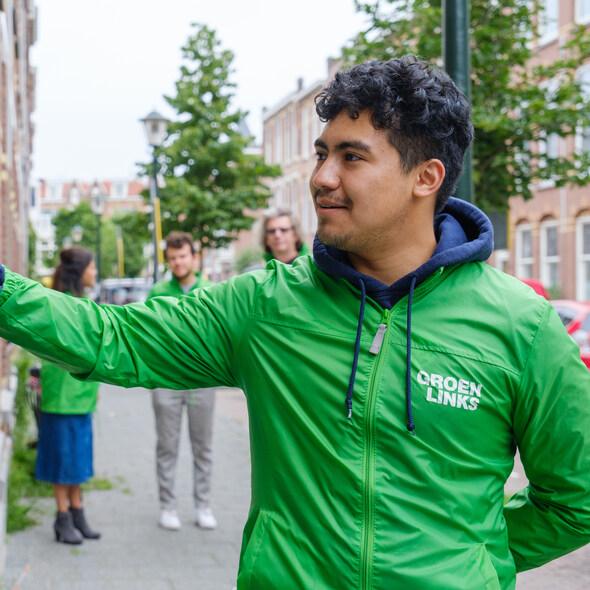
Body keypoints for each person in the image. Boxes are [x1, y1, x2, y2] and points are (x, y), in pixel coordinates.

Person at [1, 55, 589, 588]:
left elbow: (578, 497)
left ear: (425, 177)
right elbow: (114, 338)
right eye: (322, 153)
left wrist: (468, 561)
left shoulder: (523, 325)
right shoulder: (265, 305)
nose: (322, 177)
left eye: (352, 157)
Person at [147, 231, 217, 531]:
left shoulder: (213, 290)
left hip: (202, 378)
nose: (177, 262)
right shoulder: (158, 291)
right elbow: (148, 333)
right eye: (172, 258)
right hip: (167, 379)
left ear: (194, 258)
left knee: (203, 446)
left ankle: (203, 505)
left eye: (182, 256)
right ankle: (168, 506)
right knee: (167, 445)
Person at [34, 247, 101, 545]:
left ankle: (77, 512)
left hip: (81, 394)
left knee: (77, 458)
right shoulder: (61, 304)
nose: (95, 272)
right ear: (80, 271)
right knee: (63, 460)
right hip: (62, 395)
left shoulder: (82, 302)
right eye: (92, 267)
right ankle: (62, 519)